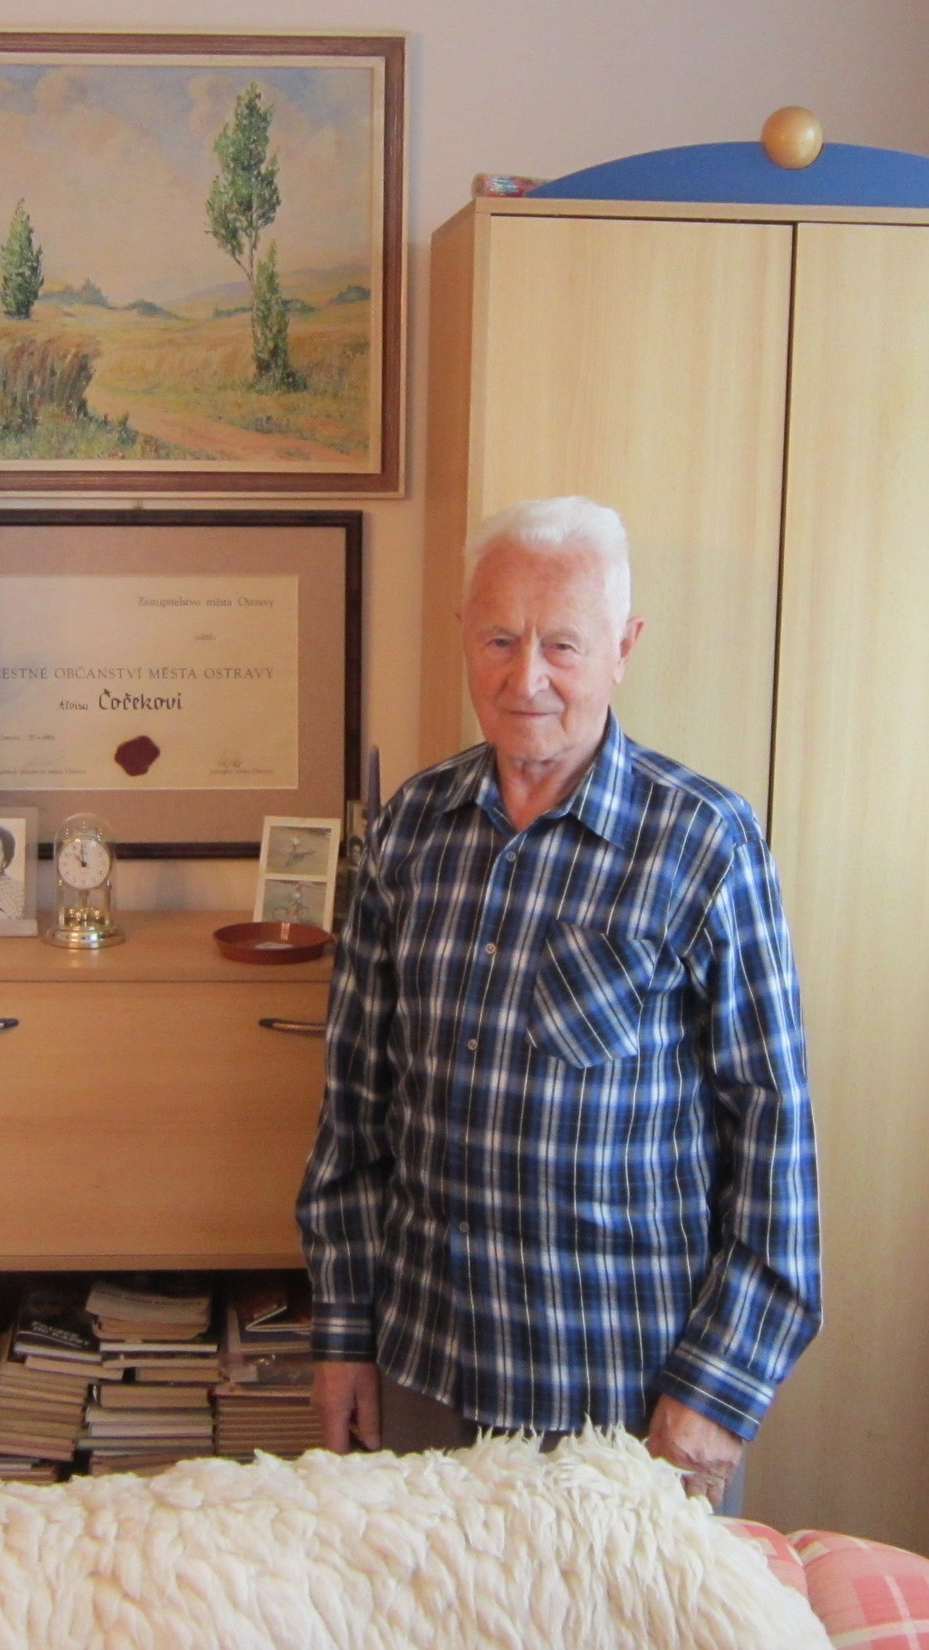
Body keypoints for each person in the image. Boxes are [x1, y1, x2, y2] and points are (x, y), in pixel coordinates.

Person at [298, 497, 819, 1508]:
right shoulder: (409, 829)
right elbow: (351, 1114)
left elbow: (775, 1147)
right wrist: (341, 1332)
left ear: (622, 647)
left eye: (562, 645)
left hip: (626, 1403)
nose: (524, 677)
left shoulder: (704, 843)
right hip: (423, 1376)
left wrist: (716, 1392)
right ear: (462, 632)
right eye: (498, 639)